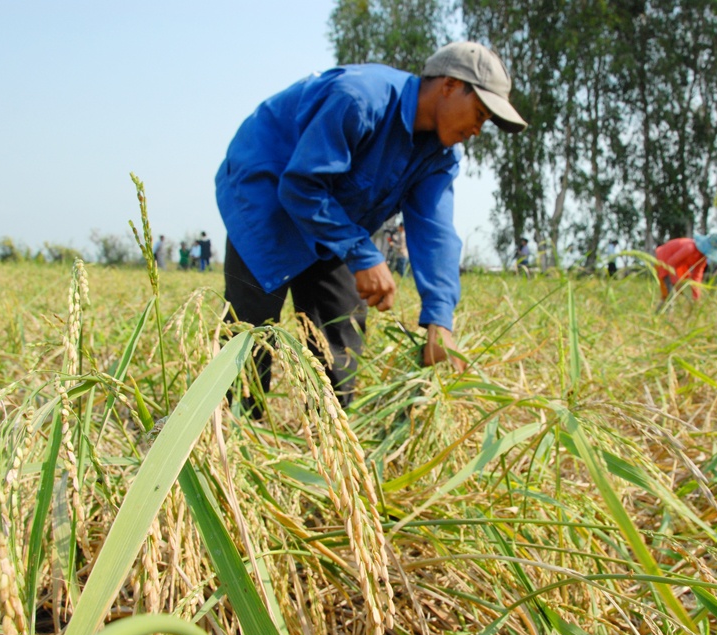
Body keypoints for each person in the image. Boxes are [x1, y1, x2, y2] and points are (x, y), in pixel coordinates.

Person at [215, 41, 527, 409]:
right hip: (266, 195)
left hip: (334, 218)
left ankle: (330, 428)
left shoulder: (440, 156)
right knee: (250, 331)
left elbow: (435, 232)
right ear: (449, 85)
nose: (477, 130)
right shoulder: (360, 98)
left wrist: (440, 320)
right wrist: (362, 254)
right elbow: (302, 186)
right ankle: (235, 425)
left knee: (342, 329)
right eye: (479, 113)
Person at [655, 232, 717, 309]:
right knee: (670, 293)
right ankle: (667, 314)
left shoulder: (702, 258)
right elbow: (670, 263)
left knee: (671, 293)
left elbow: (697, 277)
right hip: (664, 261)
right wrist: (676, 283)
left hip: (676, 267)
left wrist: (696, 297)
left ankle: (658, 313)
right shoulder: (690, 248)